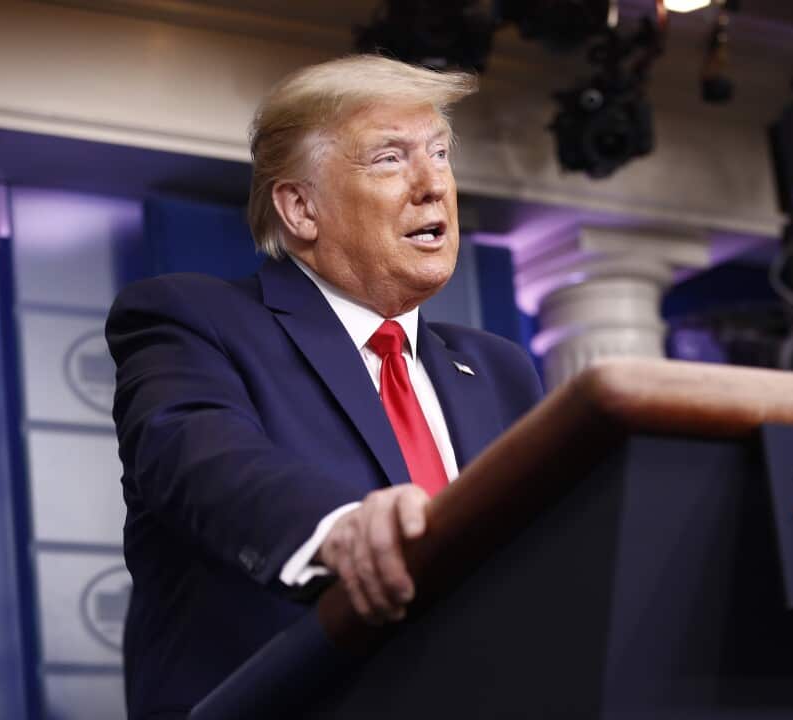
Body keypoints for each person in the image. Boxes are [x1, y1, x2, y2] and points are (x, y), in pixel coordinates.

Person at [106, 55, 543, 718]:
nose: (433, 186)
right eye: (390, 159)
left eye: (440, 153)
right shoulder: (193, 319)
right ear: (301, 207)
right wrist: (341, 530)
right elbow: (201, 459)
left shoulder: (500, 369)